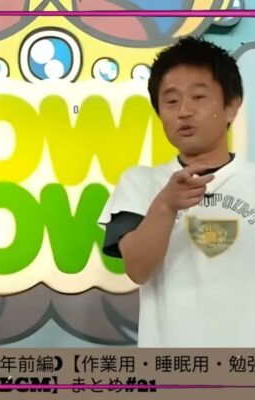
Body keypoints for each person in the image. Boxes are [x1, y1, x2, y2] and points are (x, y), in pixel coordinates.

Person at [99, 36, 254, 347]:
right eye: (171, 101)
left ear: (232, 106)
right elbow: (137, 270)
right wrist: (166, 205)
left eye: (198, 97)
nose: (184, 111)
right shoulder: (139, 182)